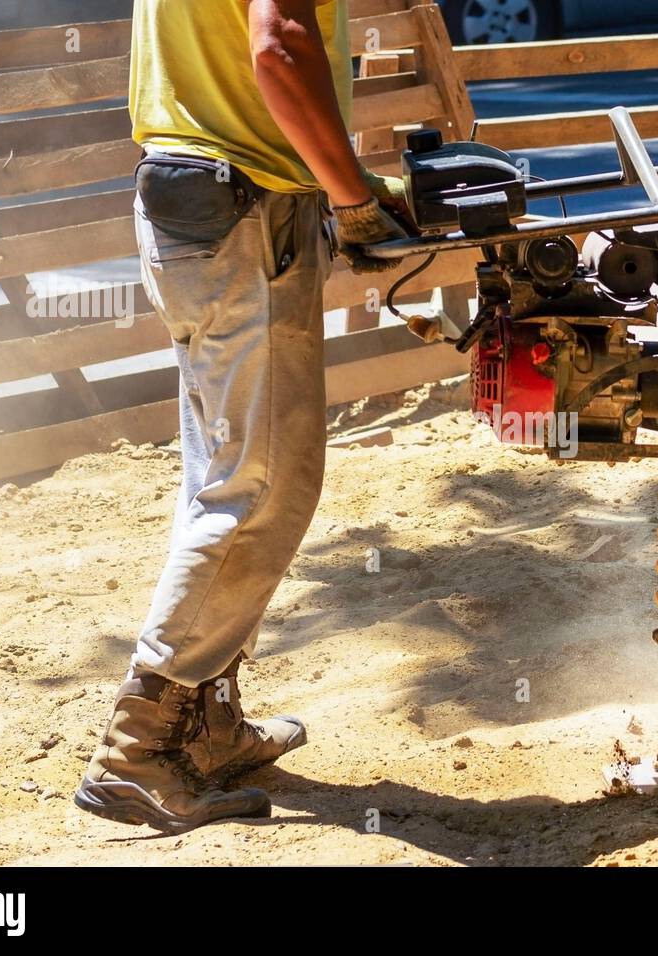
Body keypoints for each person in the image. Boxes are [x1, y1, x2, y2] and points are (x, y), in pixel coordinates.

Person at [74, 0, 409, 832]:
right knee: (259, 488)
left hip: (201, 199)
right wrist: (353, 195)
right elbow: (280, 48)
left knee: (231, 477)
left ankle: (209, 722)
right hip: (241, 213)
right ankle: (137, 749)